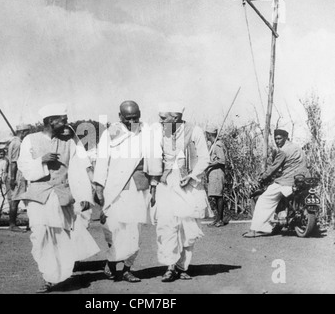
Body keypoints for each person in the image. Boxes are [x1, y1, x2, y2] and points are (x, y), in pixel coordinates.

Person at [17, 103, 98, 293]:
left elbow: (78, 171)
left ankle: (54, 277)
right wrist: (42, 161)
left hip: (61, 194)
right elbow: (23, 166)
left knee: (61, 236)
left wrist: (84, 195)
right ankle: (48, 272)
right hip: (38, 195)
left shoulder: (69, 142)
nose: (66, 124)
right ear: (50, 121)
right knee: (39, 235)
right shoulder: (30, 139)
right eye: (63, 121)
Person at [93, 100, 161, 283]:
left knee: (134, 231)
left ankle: (127, 269)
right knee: (113, 228)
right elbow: (101, 160)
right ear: (120, 116)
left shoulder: (147, 131)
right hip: (115, 187)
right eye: (128, 119)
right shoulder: (111, 133)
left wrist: (154, 185)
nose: (132, 122)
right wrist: (98, 187)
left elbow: (155, 160)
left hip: (139, 186)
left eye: (136, 118)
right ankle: (112, 261)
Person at [153, 102, 210, 282]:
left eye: (163, 118)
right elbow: (153, 160)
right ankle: (170, 267)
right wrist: (154, 184)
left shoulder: (195, 131)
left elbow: (204, 158)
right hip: (166, 182)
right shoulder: (158, 132)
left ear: (175, 117)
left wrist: (192, 176)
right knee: (167, 225)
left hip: (188, 183)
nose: (160, 121)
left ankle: (182, 267)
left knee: (187, 228)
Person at [243, 129, 308, 238]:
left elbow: (274, 167)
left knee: (264, 200)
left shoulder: (283, 150)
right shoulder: (298, 147)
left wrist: (262, 178)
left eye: (279, 138)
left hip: (287, 181)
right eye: (276, 139)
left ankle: (256, 230)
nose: (277, 141)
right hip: (303, 179)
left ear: (285, 138)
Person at [7, 124, 30, 232]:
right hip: (17, 175)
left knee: (18, 199)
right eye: (27, 132)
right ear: (23, 132)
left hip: (18, 174)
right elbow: (13, 162)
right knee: (15, 199)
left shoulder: (16, 142)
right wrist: (12, 178)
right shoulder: (17, 144)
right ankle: (12, 225)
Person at [205, 125, 227, 227]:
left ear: (209, 134)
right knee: (215, 196)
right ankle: (217, 218)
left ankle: (220, 220)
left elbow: (222, 160)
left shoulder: (218, 145)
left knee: (219, 196)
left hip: (217, 173)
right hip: (213, 174)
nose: (206, 136)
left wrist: (209, 164)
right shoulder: (213, 145)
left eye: (207, 134)